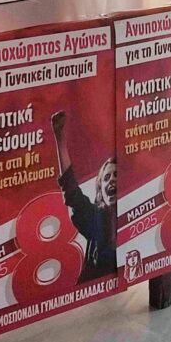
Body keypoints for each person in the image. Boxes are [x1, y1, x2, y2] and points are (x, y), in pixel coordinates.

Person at [50, 110, 117, 282]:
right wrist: (60, 141)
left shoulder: (136, 212)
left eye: (116, 175)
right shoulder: (96, 217)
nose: (111, 180)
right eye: (106, 178)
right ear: (100, 190)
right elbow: (72, 191)